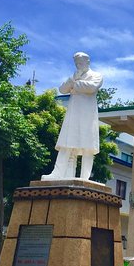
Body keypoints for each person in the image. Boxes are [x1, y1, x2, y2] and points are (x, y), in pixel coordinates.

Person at [42, 52, 103, 181]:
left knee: (88, 147)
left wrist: (75, 86)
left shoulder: (96, 76)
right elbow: (63, 89)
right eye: (76, 64)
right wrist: (73, 82)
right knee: (66, 143)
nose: (78, 66)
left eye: (80, 63)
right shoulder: (74, 76)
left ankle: (84, 177)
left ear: (87, 62)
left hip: (87, 114)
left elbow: (92, 87)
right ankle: (58, 173)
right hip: (73, 113)